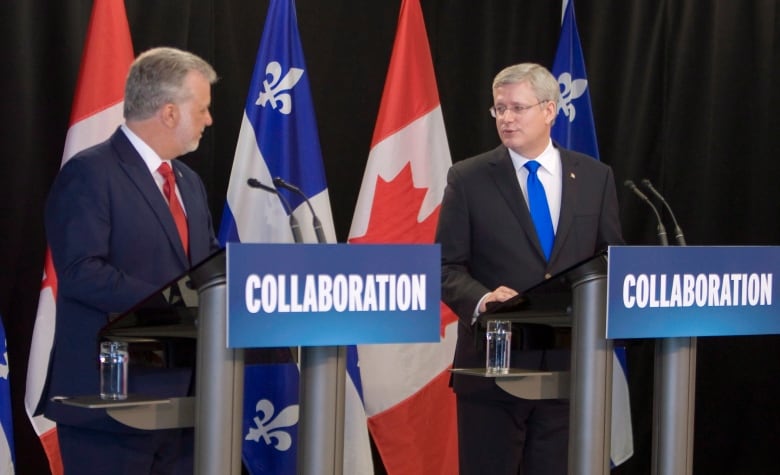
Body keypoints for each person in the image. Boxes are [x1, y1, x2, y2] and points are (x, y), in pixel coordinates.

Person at [436, 63, 623, 474]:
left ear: (550, 111)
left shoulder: (595, 177)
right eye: (499, 108)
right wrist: (484, 299)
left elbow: (612, 261)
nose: (506, 118)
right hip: (492, 367)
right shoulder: (468, 179)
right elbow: (445, 266)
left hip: (570, 370)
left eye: (518, 108)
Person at [42, 47, 221, 474]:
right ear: (170, 112)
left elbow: (209, 266)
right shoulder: (90, 173)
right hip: (111, 403)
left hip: (187, 402)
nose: (210, 120)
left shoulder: (189, 183)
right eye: (203, 109)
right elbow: (81, 271)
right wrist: (175, 304)